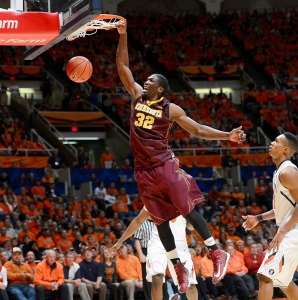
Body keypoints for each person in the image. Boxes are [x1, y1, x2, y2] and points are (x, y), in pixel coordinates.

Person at [115, 22, 246, 293]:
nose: (146, 80)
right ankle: (178, 266)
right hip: (143, 171)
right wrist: (124, 35)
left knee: (187, 209)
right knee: (160, 219)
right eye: (146, 79)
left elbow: (197, 129)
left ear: (161, 89)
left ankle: (216, 252)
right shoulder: (137, 96)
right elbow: (122, 67)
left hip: (164, 164)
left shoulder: (170, 109)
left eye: (151, 80)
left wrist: (227, 136)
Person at [243, 132, 298, 300]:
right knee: (283, 283)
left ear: (286, 150)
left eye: (276, 141)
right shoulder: (279, 172)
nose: (272, 143)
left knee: (265, 276)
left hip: (293, 232)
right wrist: (257, 218)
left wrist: (282, 232)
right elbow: (282, 209)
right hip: (289, 229)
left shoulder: (288, 172)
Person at [111, 208, 198, 300]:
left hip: (179, 243)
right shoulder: (153, 196)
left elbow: (190, 225)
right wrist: (120, 241)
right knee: (157, 277)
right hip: (158, 241)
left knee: (190, 284)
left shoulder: (183, 197)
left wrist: (193, 224)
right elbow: (137, 221)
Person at [133, 217, 155, 300]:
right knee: (148, 278)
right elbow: (137, 239)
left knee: (161, 277)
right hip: (146, 251)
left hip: (158, 251)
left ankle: (164, 298)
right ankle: (149, 298)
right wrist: (140, 254)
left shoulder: (159, 221)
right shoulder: (141, 222)